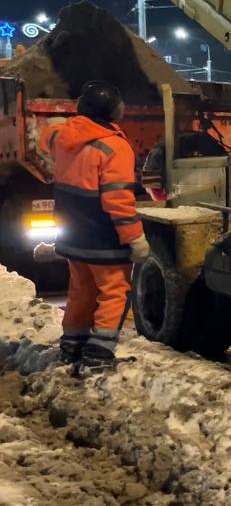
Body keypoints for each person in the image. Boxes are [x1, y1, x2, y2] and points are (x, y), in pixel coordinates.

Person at [38, 81, 150, 368]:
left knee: (81, 291)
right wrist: (135, 238)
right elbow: (118, 201)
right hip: (103, 237)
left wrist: (57, 121)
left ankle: (71, 345)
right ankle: (99, 353)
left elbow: (47, 134)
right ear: (113, 110)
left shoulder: (63, 137)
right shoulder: (114, 147)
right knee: (113, 292)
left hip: (74, 236)